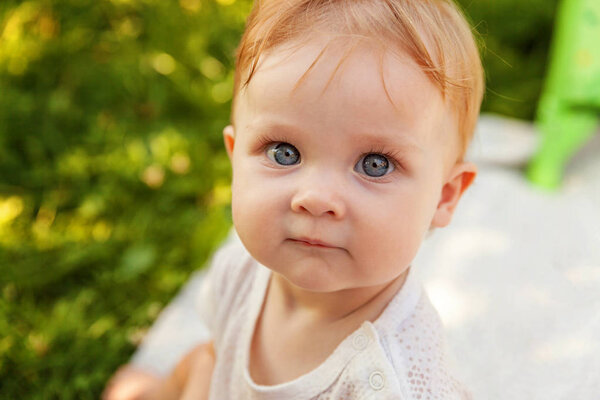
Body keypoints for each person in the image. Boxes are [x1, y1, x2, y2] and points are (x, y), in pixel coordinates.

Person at [103, 0, 484, 398]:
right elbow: (218, 355)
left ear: (444, 195)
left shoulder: (392, 382)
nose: (316, 199)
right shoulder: (243, 269)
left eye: (375, 164)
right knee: (204, 363)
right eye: (284, 152)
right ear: (236, 157)